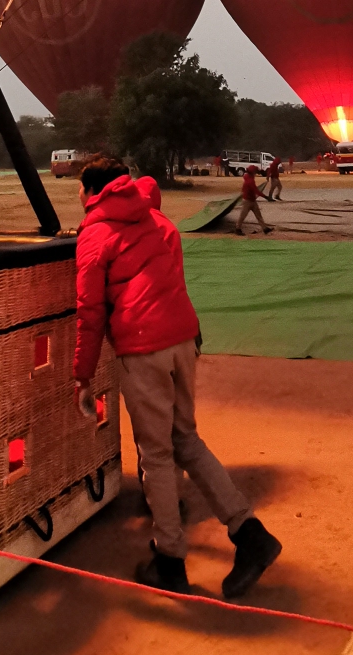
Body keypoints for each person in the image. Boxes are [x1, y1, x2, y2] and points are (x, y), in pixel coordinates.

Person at [72, 159, 281, 599]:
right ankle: (249, 533)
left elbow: (90, 313)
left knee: (157, 455)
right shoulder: (158, 219)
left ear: (90, 190)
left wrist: (82, 374)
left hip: (142, 347)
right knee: (186, 439)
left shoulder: (94, 233)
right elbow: (174, 280)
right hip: (184, 337)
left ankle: (169, 558)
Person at [235, 163, 268, 236]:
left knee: (258, 215)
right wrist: (266, 197)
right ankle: (237, 229)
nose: (256, 173)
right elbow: (256, 191)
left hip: (251, 199)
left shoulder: (248, 177)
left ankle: (265, 228)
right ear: (253, 172)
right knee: (243, 216)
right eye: (255, 172)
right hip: (248, 201)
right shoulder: (250, 181)